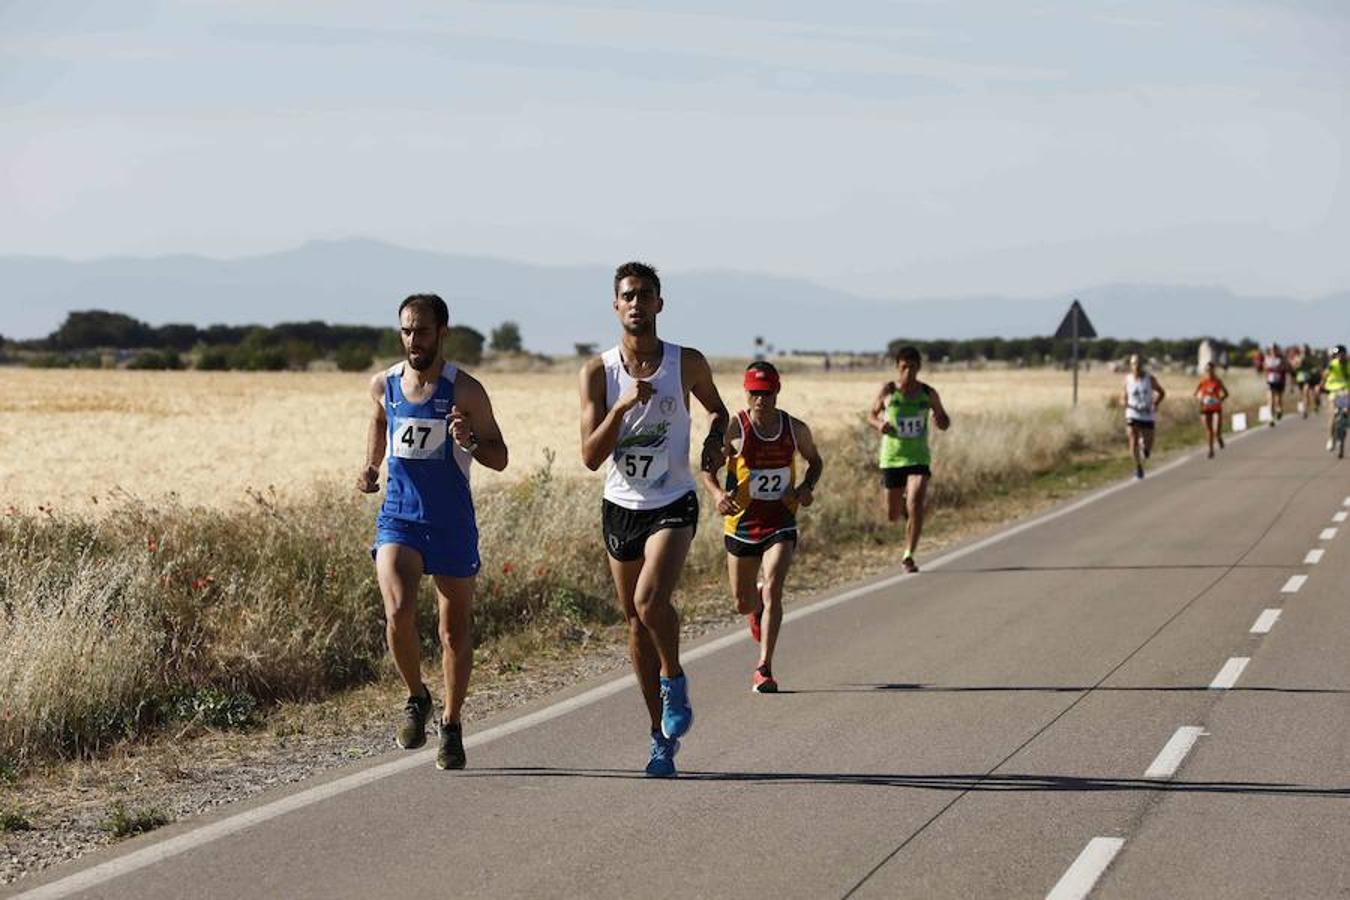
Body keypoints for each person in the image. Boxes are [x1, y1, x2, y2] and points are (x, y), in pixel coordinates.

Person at [579, 261, 729, 777]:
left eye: (645, 294)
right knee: (635, 624)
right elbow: (589, 456)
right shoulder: (598, 373)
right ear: (616, 306)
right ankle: (658, 737)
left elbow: (719, 412)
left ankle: (674, 678)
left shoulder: (686, 363)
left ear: (660, 304)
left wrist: (713, 442)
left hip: (672, 500)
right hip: (621, 505)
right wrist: (619, 410)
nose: (637, 303)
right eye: (628, 295)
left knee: (650, 601)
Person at [357, 294, 509, 770]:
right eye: (406, 331)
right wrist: (369, 465)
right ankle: (415, 696)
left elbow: (499, 456)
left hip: (450, 521)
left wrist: (470, 439)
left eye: (421, 331)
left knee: (452, 632)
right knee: (398, 612)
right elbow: (380, 420)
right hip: (399, 517)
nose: (412, 340)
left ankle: (452, 723)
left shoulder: (465, 390)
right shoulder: (385, 384)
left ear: (442, 332)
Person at [701, 361, 824, 694]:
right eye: (754, 393)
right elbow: (706, 466)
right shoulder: (735, 430)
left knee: (775, 588)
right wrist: (716, 495)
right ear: (746, 393)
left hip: (780, 521)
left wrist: (806, 488)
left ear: (777, 391)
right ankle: (753, 603)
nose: (760, 400)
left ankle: (764, 667)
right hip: (741, 524)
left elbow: (815, 460)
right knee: (743, 603)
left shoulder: (795, 429)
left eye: (766, 393)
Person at [868, 346, 951, 573]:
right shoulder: (888, 391)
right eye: (904, 367)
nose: (908, 372)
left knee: (915, 502)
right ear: (897, 368)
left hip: (918, 457)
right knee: (892, 515)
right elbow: (871, 415)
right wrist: (879, 425)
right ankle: (907, 510)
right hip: (892, 458)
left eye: (912, 367)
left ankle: (908, 555)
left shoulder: (928, 393)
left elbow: (944, 421)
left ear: (919, 368)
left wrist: (940, 420)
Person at [1122, 353, 1165, 479]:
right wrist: (1123, 402)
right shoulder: (1128, 379)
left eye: (1139, 363)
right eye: (1134, 363)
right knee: (1132, 437)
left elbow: (1162, 393)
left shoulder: (1149, 379)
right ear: (1130, 366)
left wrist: (1155, 403)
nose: (1137, 366)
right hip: (1132, 413)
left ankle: (1144, 448)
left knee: (1148, 446)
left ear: (1142, 365)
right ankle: (1138, 467)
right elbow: (1123, 396)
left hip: (1147, 414)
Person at [1194, 362, 1229, 459]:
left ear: (1214, 370)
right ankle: (1211, 450)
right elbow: (1196, 394)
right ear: (1205, 371)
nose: (1209, 372)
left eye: (1211, 369)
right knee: (1209, 431)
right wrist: (1201, 399)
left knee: (1216, 429)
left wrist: (1219, 400)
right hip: (1205, 408)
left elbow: (1226, 393)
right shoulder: (1202, 381)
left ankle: (1219, 437)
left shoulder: (1218, 381)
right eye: (1207, 370)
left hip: (1216, 408)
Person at [1321, 345, 1349, 452]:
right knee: (1332, 416)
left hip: (1346, 390)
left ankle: (1345, 424)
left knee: (1346, 411)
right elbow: (1325, 374)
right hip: (1333, 390)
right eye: (1338, 355)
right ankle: (1331, 438)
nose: (1340, 356)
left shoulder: (1348, 365)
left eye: (1342, 354)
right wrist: (1322, 384)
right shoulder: (1333, 364)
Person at [1263, 343, 1290, 424]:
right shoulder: (1267, 358)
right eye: (1272, 349)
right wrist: (1266, 369)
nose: (1273, 351)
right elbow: (1264, 368)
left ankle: (1279, 411)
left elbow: (1287, 368)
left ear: (1277, 350)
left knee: (1278, 400)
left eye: (1274, 349)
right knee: (1270, 400)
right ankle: (1271, 418)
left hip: (1279, 381)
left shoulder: (1281, 359)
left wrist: (1281, 368)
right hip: (1270, 382)